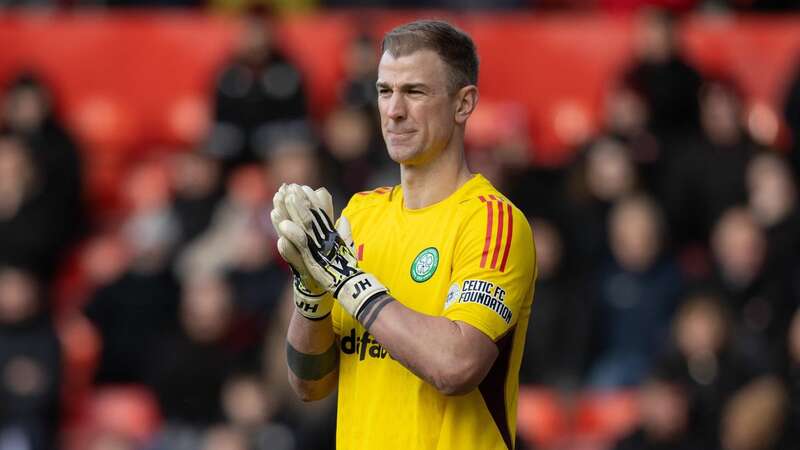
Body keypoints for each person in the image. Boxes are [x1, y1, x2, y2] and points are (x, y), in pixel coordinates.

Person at [269, 20, 537, 450]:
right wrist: (311, 295)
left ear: (463, 104)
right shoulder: (360, 215)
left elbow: (455, 367)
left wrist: (347, 281)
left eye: (414, 92)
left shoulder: (493, 223)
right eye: (384, 91)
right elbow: (309, 384)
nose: (394, 110)